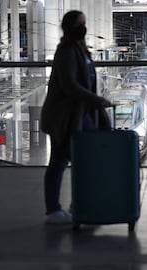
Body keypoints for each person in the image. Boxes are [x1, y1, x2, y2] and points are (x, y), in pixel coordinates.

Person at [40, 10, 112, 225]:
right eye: (80, 24)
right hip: (65, 118)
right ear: (69, 26)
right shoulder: (66, 51)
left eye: (84, 23)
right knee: (66, 162)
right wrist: (97, 100)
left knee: (76, 161)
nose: (83, 27)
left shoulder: (80, 50)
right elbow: (71, 86)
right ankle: (61, 209)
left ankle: (76, 206)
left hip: (80, 115)